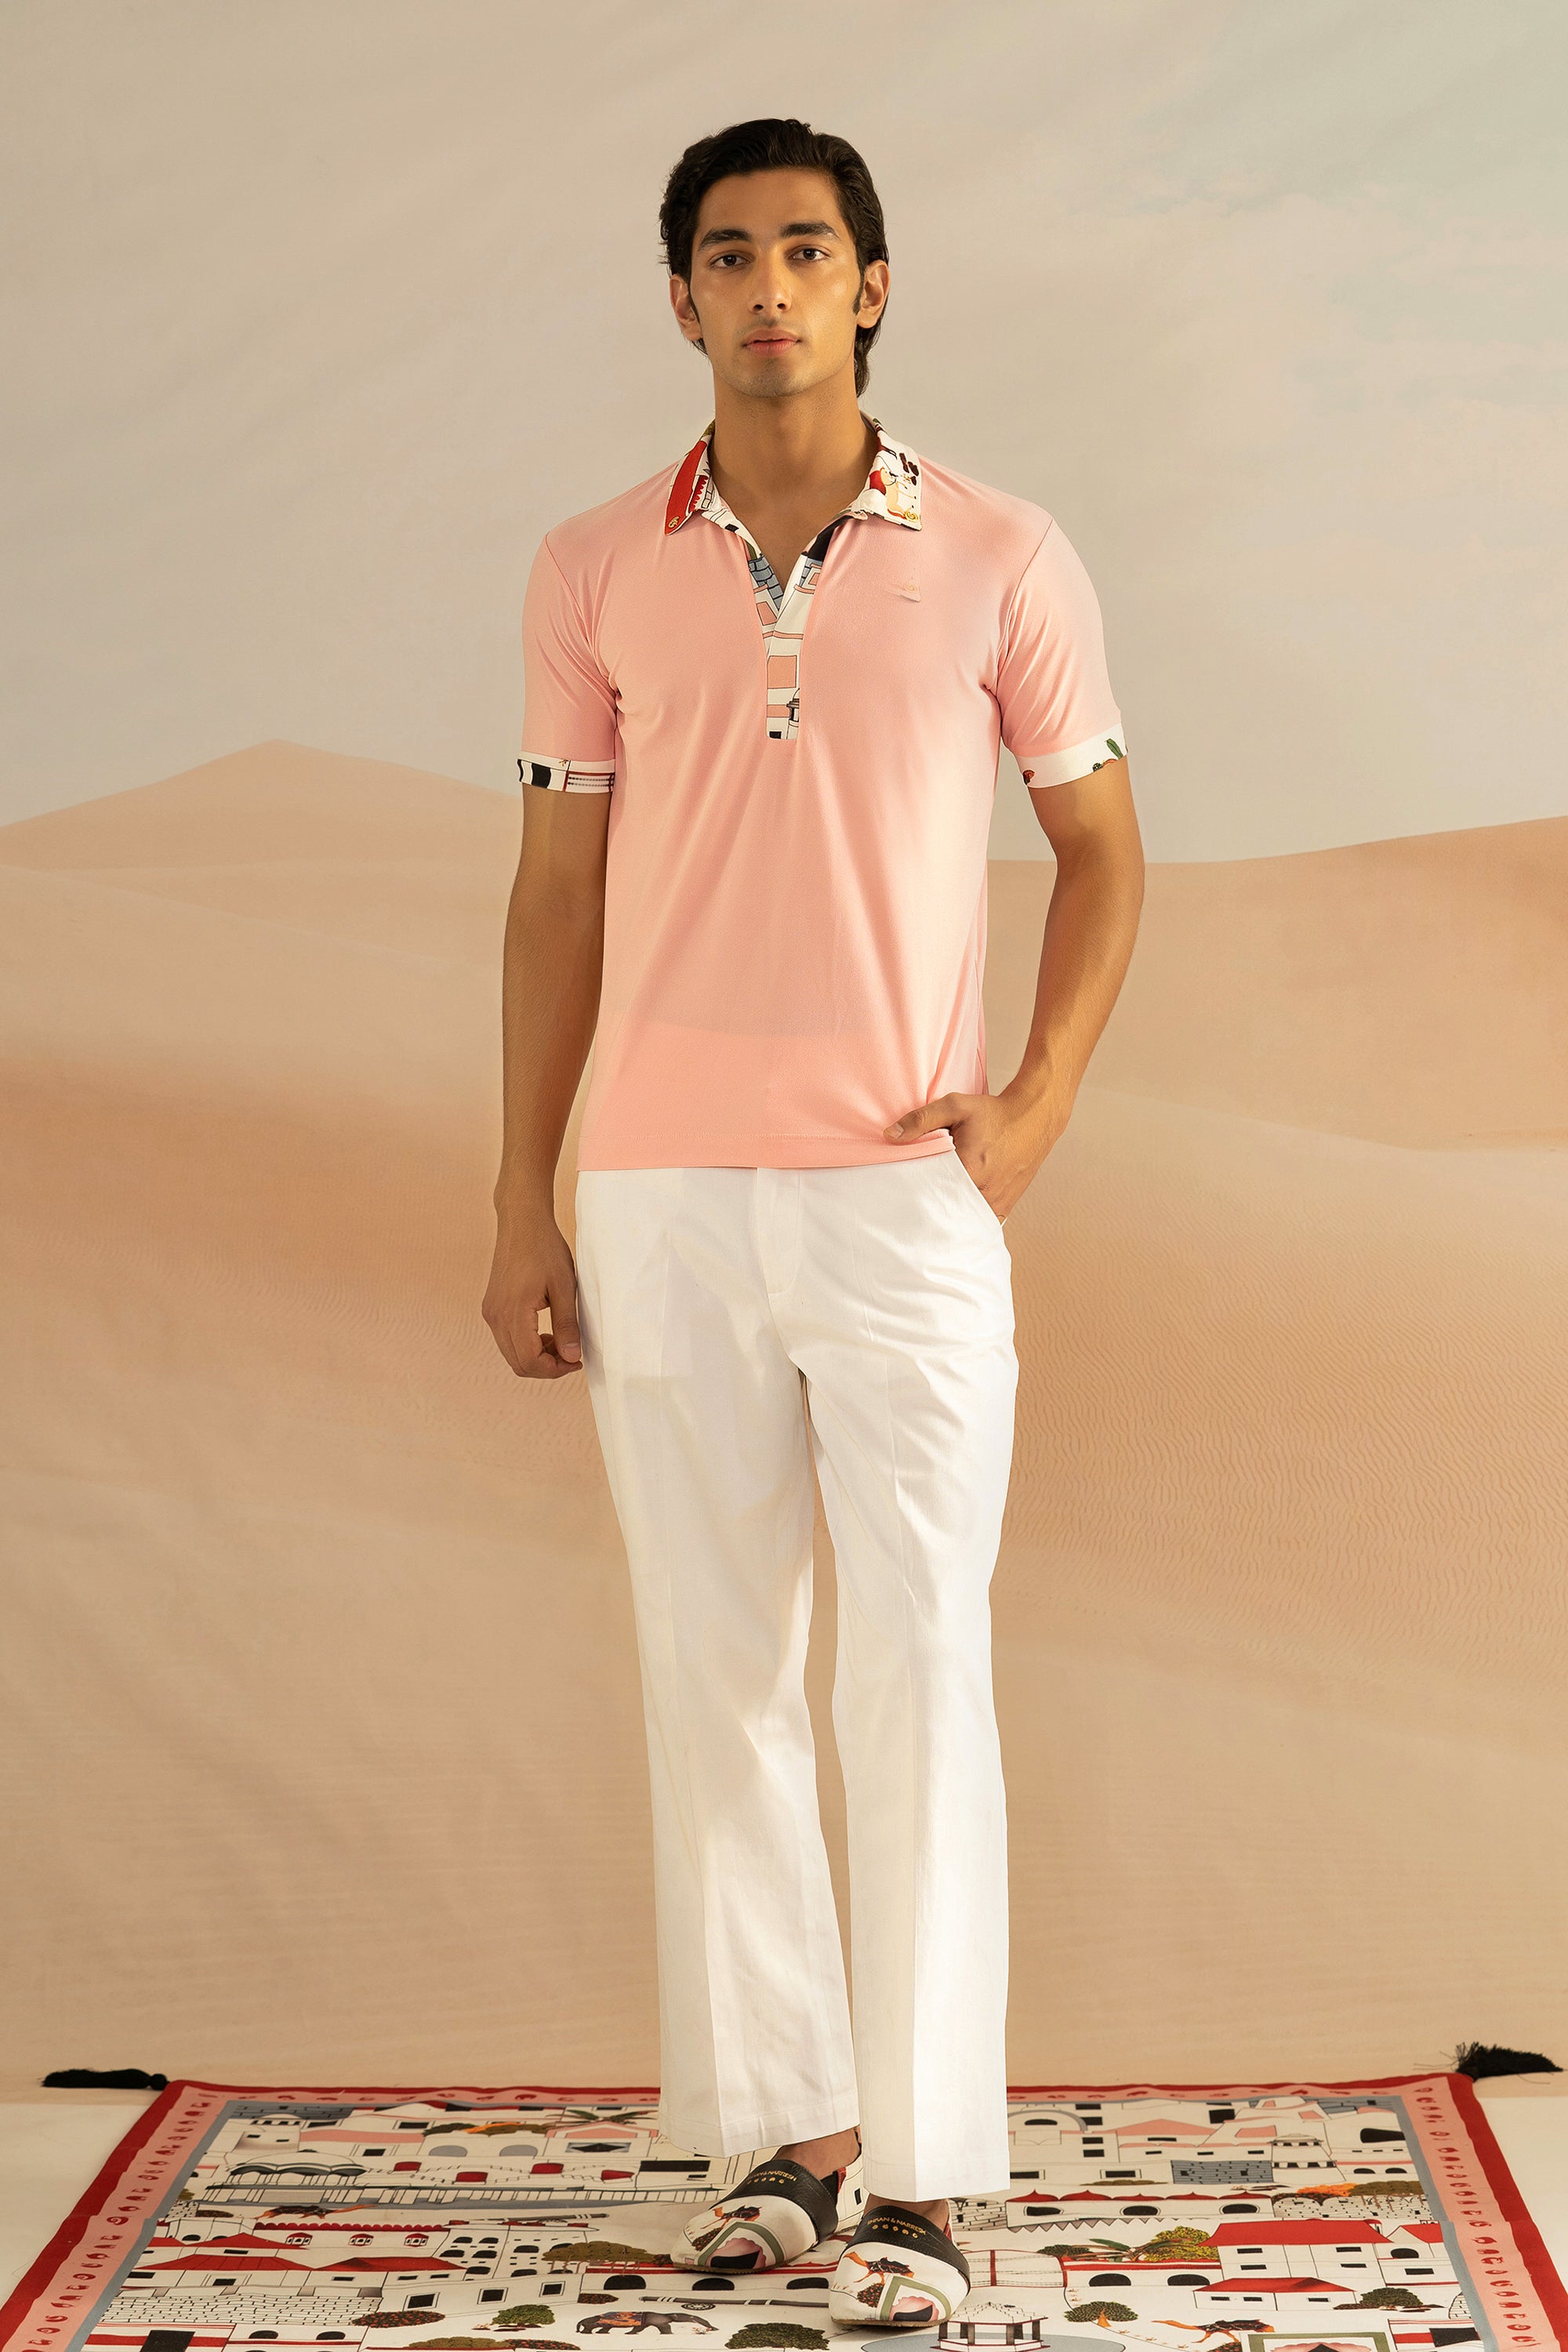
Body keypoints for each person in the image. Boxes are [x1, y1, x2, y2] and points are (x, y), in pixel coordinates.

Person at [484, 115, 1145, 2330]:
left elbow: (1107, 848)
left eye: (805, 250)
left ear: (873, 285)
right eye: (727, 254)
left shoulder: (1004, 553)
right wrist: (525, 1195)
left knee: (920, 1658)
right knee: (719, 1671)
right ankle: (790, 2138)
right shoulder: (594, 566)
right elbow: (554, 893)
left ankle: (931, 2174)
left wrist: (1036, 1107)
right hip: (662, 1196)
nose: (767, 287)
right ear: (678, 296)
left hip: (904, 1198)